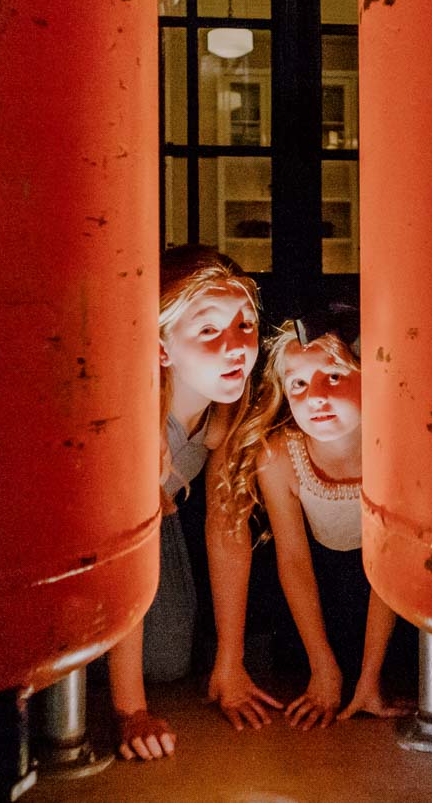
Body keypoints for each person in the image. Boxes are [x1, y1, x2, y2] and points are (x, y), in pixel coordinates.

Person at [109, 245, 278, 760]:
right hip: (105, 543)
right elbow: (120, 547)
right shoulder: (135, 416)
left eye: (245, 324)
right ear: (162, 347)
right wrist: (131, 710)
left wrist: (231, 659)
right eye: (208, 330)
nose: (236, 347)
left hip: (162, 525)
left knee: (171, 660)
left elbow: (227, 525)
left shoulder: (226, 410)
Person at [221, 309, 410, 730]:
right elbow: (293, 560)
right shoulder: (279, 457)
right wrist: (323, 668)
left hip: (390, 597)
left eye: (334, 377)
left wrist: (369, 678)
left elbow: (391, 566)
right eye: (299, 385)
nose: (315, 397)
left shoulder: (394, 451)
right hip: (319, 598)